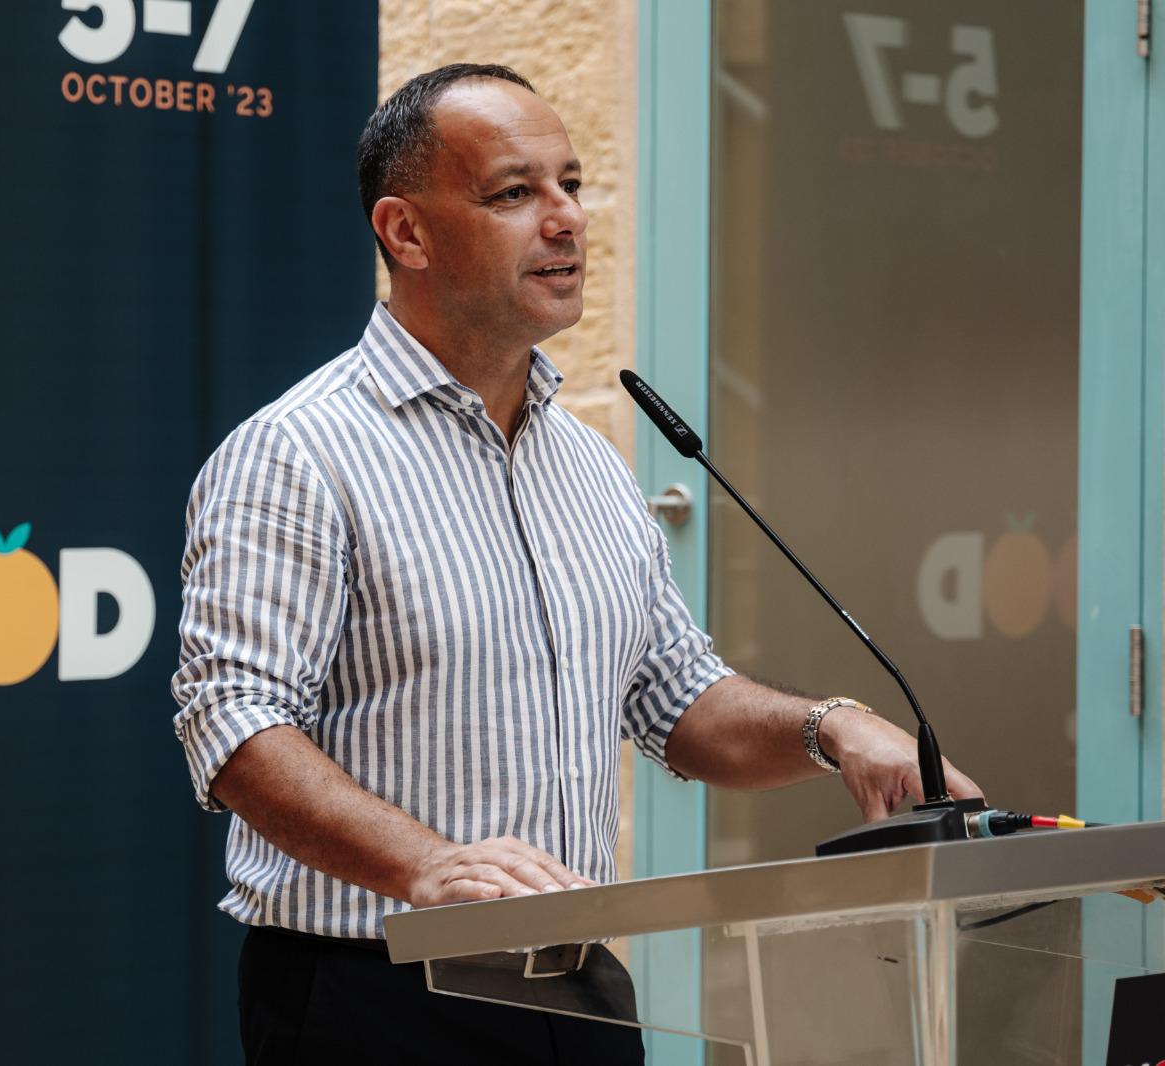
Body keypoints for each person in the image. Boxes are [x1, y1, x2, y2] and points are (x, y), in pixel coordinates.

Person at [171, 63, 982, 1065]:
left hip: (581, 983)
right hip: (375, 991)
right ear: (405, 232)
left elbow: (677, 704)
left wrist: (834, 729)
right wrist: (429, 866)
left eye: (571, 184)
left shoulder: (589, 462)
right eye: (513, 193)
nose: (565, 219)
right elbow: (236, 724)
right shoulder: (296, 454)